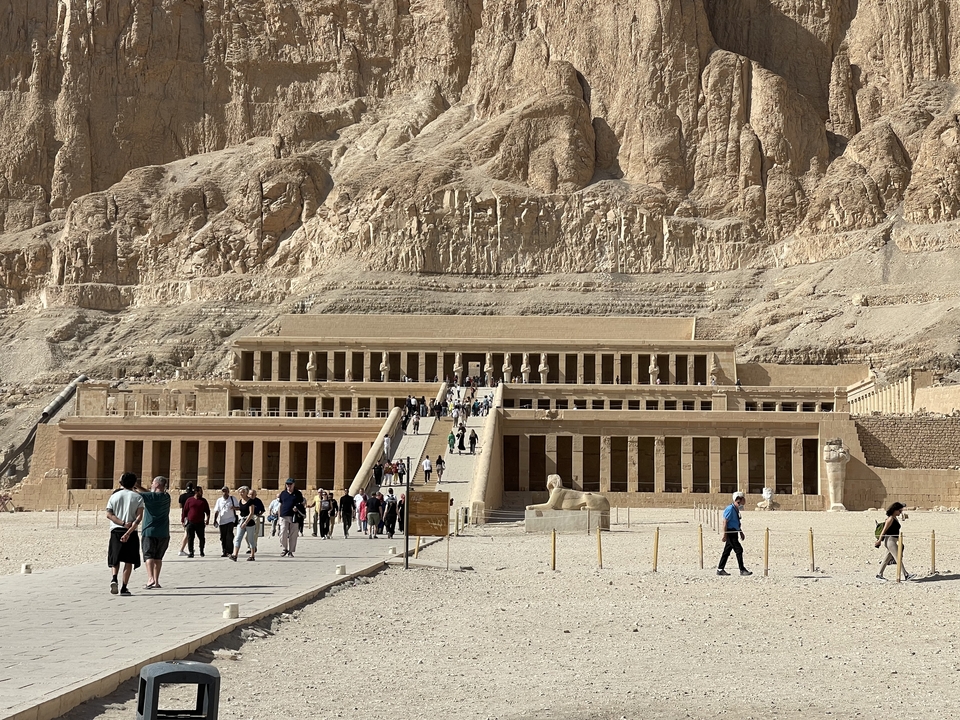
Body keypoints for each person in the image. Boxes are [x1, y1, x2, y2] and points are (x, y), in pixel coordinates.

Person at [105, 472, 145, 596]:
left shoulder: (114, 496)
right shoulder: (137, 497)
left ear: (121, 483)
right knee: (129, 560)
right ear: (134, 483)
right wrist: (128, 530)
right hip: (131, 532)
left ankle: (114, 578)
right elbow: (139, 518)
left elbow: (109, 515)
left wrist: (122, 523)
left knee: (115, 558)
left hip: (116, 530)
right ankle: (124, 587)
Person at [137, 475, 171, 589]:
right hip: (164, 532)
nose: (151, 485)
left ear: (156, 484)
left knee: (148, 555)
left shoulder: (150, 497)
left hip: (150, 531)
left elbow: (135, 495)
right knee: (158, 558)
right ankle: (156, 581)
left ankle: (150, 578)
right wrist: (139, 487)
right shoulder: (166, 496)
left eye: (152, 483)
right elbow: (150, 494)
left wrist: (132, 486)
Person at [876, 502, 916, 581]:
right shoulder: (890, 519)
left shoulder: (895, 518)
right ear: (895, 510)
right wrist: (879, 540)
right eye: (899, 511)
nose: (900, 513)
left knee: (886, 559)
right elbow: (884, 531)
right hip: (890, 541)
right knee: (898, 558)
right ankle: (906, 575)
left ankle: (879, 574)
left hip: (893, 540)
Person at [717, 491, 751, 576]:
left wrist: (740, 532)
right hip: (730, 532)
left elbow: (736, 522)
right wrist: (725, 534)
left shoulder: (735, 509)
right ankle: (742, 569)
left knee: (727, 551)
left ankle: (720, 569)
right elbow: (725, 522)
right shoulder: (730, 509)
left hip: (734, 531)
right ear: (738, 500)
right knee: (739, 550)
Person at [230, 486, 264, 561]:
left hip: (249, 522)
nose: (241, 493)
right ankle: (235, 555)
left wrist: (246, 522)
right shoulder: (240, 501)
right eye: (240, 492)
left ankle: (252, 556)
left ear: (246, 493)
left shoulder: (250, 501)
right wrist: (234, 508)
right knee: (238, 538)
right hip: (241, 520)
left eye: (243, 492)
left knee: (250, 539)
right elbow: (242, 509)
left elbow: (251, 513)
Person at [278, 478, 305, 557]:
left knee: (293, 534)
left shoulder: (298, 494)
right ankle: (284, 548)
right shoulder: (283, 493)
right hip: (284, 515)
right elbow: (280, 505)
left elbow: (302, 504)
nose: (289, 486)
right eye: (287, 484)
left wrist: (298, 508)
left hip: (294, 516)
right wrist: (279, 516)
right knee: (282, 532)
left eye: (290, 484)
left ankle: (291, 551)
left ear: (294, 484)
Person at [181, 486, 210, 558]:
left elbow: (208, 511)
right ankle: (191, 552)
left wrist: (208, 519)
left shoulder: (203, 501)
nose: (202, 493)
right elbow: (185, 511)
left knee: (201, 538)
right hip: (190, 522)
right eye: (200, 491)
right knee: (190, 538)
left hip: (200, 522)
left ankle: (201, 551)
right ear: (196, 492)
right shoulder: (189, 500)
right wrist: (182, 520)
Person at [213, 486, 240, 557]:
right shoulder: (219, 500)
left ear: (228, 492)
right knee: (223, 537)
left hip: (231, 520)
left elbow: (238, 507)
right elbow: (217, 510)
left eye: (226, 491)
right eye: (223, 491)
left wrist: (234, 508)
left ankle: (230, 551)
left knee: (229, 535)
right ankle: (224, 551)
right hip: (222, 521)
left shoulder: (232, 499)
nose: (224, 493)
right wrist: (215, 520)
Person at [177, 482, 195, 556]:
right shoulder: (194, 495)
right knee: (187, 534)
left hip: (185, 516)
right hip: (192, 516)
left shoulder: (182, 496)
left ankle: (190, 548)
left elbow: (180, 506)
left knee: (189, 533)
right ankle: (181, 550)